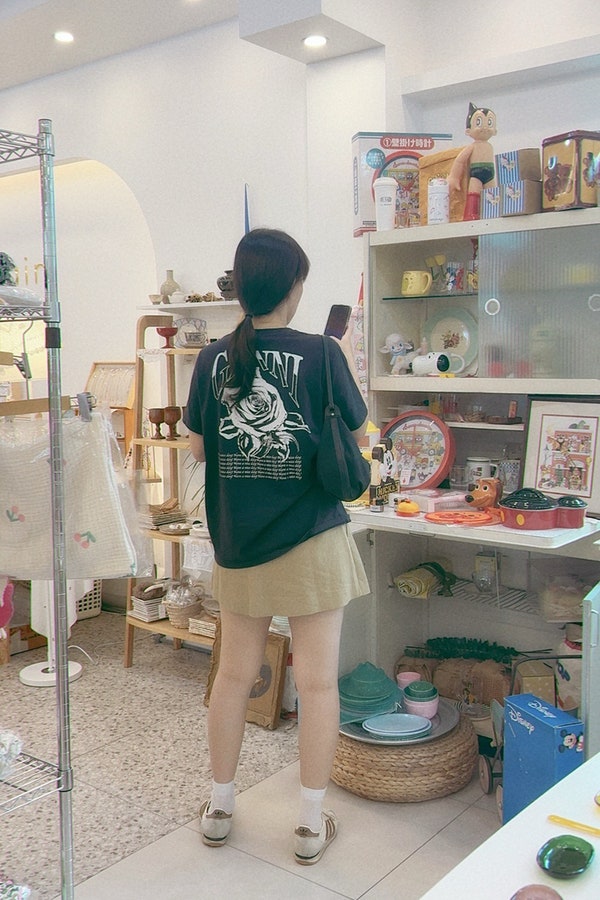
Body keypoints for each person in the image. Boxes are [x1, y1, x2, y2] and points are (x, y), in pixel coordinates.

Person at [183, 228, 369, 865]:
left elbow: (199, 448)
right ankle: (310, 824)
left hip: (240, 542)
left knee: (233, 677)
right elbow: (359, 437)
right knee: (317, 685)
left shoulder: (212, 360)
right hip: (313, 538)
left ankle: (219, 808)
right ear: (294, 286)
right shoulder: (322, 352)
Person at [448, 102, 497, 220]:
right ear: (468, 131)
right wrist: (454, 177)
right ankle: (471, 214)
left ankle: (493, 213)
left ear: (495, 130)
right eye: (479, 122)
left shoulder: (489, 146)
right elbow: (460, 160)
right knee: (474, 193)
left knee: (492, 193)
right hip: (476, 174)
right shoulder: (472, 147)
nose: (485, 127)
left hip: (490, 175)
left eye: (489, 123)